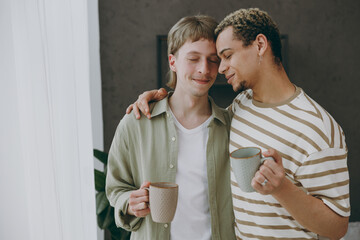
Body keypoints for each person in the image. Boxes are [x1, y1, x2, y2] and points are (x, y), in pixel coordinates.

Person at [127, 8, 350, 239]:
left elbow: (337, 227)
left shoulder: (318, 127)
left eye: (227, 55)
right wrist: (161, 96)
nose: (220, 69)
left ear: (260, 45)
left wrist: (282, 188)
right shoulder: (242, 105)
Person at [106, 15, 236, 240]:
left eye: (213, 60)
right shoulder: (135, 123)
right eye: (193, 58)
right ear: (173, 62)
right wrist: (129, 202)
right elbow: (116, 188)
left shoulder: (231, 127)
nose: (204, 69)